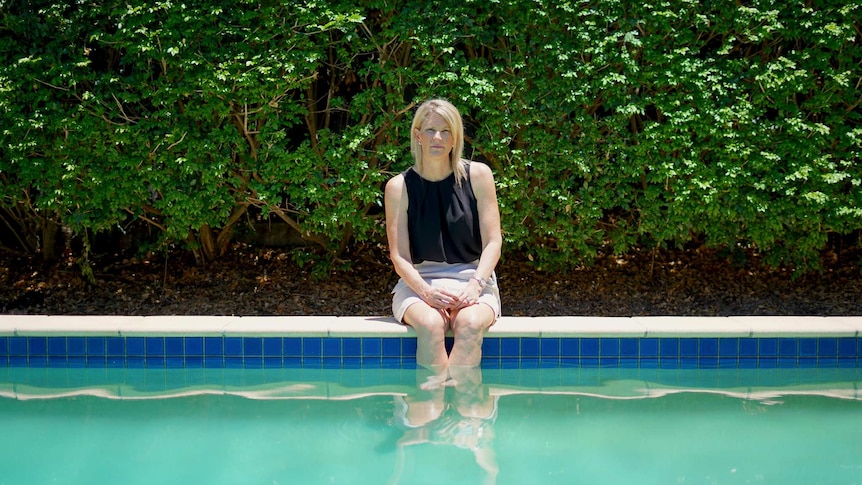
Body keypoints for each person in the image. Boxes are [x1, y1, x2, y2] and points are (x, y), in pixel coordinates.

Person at [385, 98, 502, 378]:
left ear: (455, 138)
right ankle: (429, 410)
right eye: (430, 130)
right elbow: (398, 256)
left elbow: (493, 242)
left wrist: (476, 285)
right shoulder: (398, 187)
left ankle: (465, 411)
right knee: (430, 324)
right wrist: (426, 293)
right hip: (420, 282)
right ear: (417, 136)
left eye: (446, 131)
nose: (438, 138)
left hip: (474, 278)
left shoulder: (478, 175)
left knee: (471, 324)